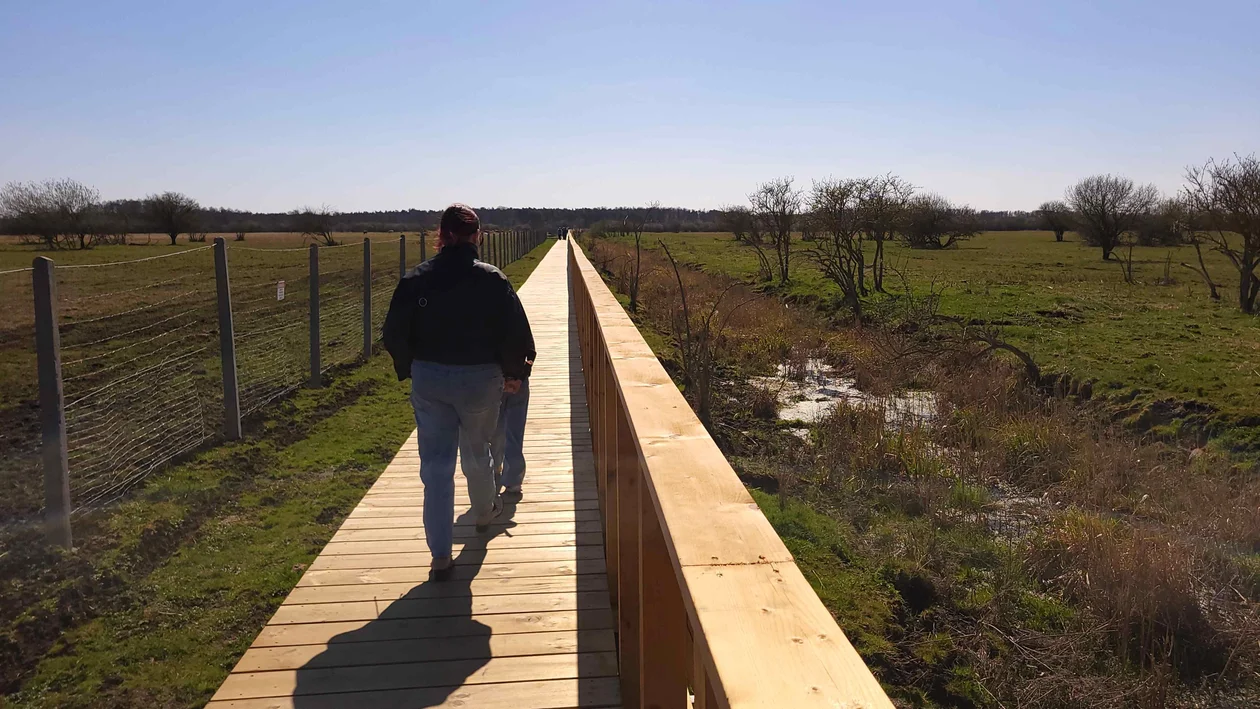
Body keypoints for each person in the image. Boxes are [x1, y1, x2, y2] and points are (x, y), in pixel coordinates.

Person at [383, 204, 535, 580]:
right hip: (481, 381)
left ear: (442, 234)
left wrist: (410, 368)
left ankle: (439, 554)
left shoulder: (416, 279)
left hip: (430, 378)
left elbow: (393, 333)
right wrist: (514, 374)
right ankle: (485, 510)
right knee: (477, 449)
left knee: (435, 468)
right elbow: (515, 333)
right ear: (477, 236)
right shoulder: (492, 279)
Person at [490, 374, 529, 498]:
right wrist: (522, 375)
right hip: (519, 380)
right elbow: (530, 356)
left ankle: (494, 467)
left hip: (492, 377)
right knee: (515, 431)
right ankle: (514, 479)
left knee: (494, 428)